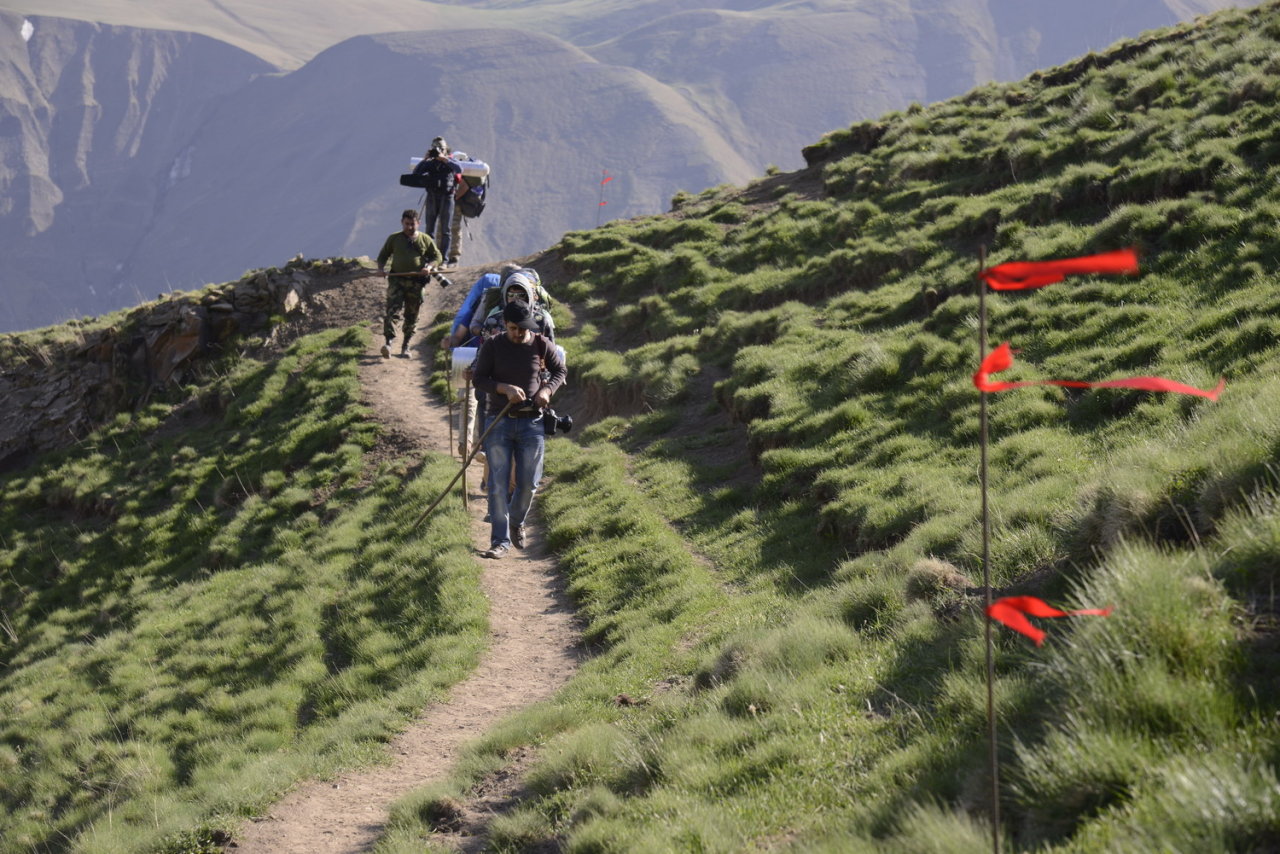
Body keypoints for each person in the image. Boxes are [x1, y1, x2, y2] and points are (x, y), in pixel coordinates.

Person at [471, 301, 566, 558]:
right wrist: (504, 389)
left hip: (532, 422)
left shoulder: (540, 343)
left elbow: (560, 370)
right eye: (512, 328)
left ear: (529, 326)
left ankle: (516, 520)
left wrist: (546, 390)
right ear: (506, 325)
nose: (517, 333)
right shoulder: (492, 345)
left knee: (529, 483)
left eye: (521, 329)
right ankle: (499, 542)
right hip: (498, 421)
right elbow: (479, 379)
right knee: (498, 483)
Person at [442, 263, 522, 456]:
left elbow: (467, 322)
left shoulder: (498, 299)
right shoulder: (490, 299)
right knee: (474, 397)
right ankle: (474, 444)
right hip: (480, 356)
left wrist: (456, 339)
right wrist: (488, 332)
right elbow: (472, 324)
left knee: (474, 399)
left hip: (490, 358)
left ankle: (472, 443)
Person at [376, 209, 442, 358]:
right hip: (396, 280)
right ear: (402, 223)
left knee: (412, 314)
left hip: (416, 283)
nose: (409, 227)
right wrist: (380, 269)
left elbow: (437, 256)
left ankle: (406, 346)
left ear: (418, 223)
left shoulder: (425, 239)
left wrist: (429, 267)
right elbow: (383, 255)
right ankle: (388, 343)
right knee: (392, 311)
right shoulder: (394, 239)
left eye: (412, 224)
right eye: (407, 224)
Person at [411, 146, 463, 267]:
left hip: (447, 198)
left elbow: (459, 169)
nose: (438, 152)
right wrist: (425, 159)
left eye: (441, 149)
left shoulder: (450, 162)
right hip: (432, 197)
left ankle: (443, 260)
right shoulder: (430, 163)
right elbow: (416, 173)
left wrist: (444, 159)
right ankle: (430, 259)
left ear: (446, 151)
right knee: (429, 230)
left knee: (446, 230)